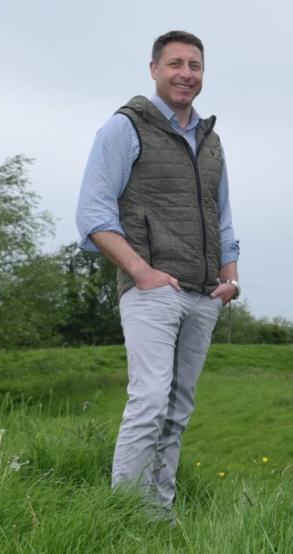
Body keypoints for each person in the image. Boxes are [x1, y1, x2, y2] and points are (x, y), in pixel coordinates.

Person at [75, 30, 240, 516]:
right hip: (152, 290)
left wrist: (229, 278)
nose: (186, 74)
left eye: (195, 65)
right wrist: (141, 272)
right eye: (175, 64)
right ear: (154, 69)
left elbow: (223, 214)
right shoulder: (124, 127)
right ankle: (124, 517)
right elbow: (92, 214)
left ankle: (158, 516)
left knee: (176, 411)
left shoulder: (211, 142)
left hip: (204, 294)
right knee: (148, 402)